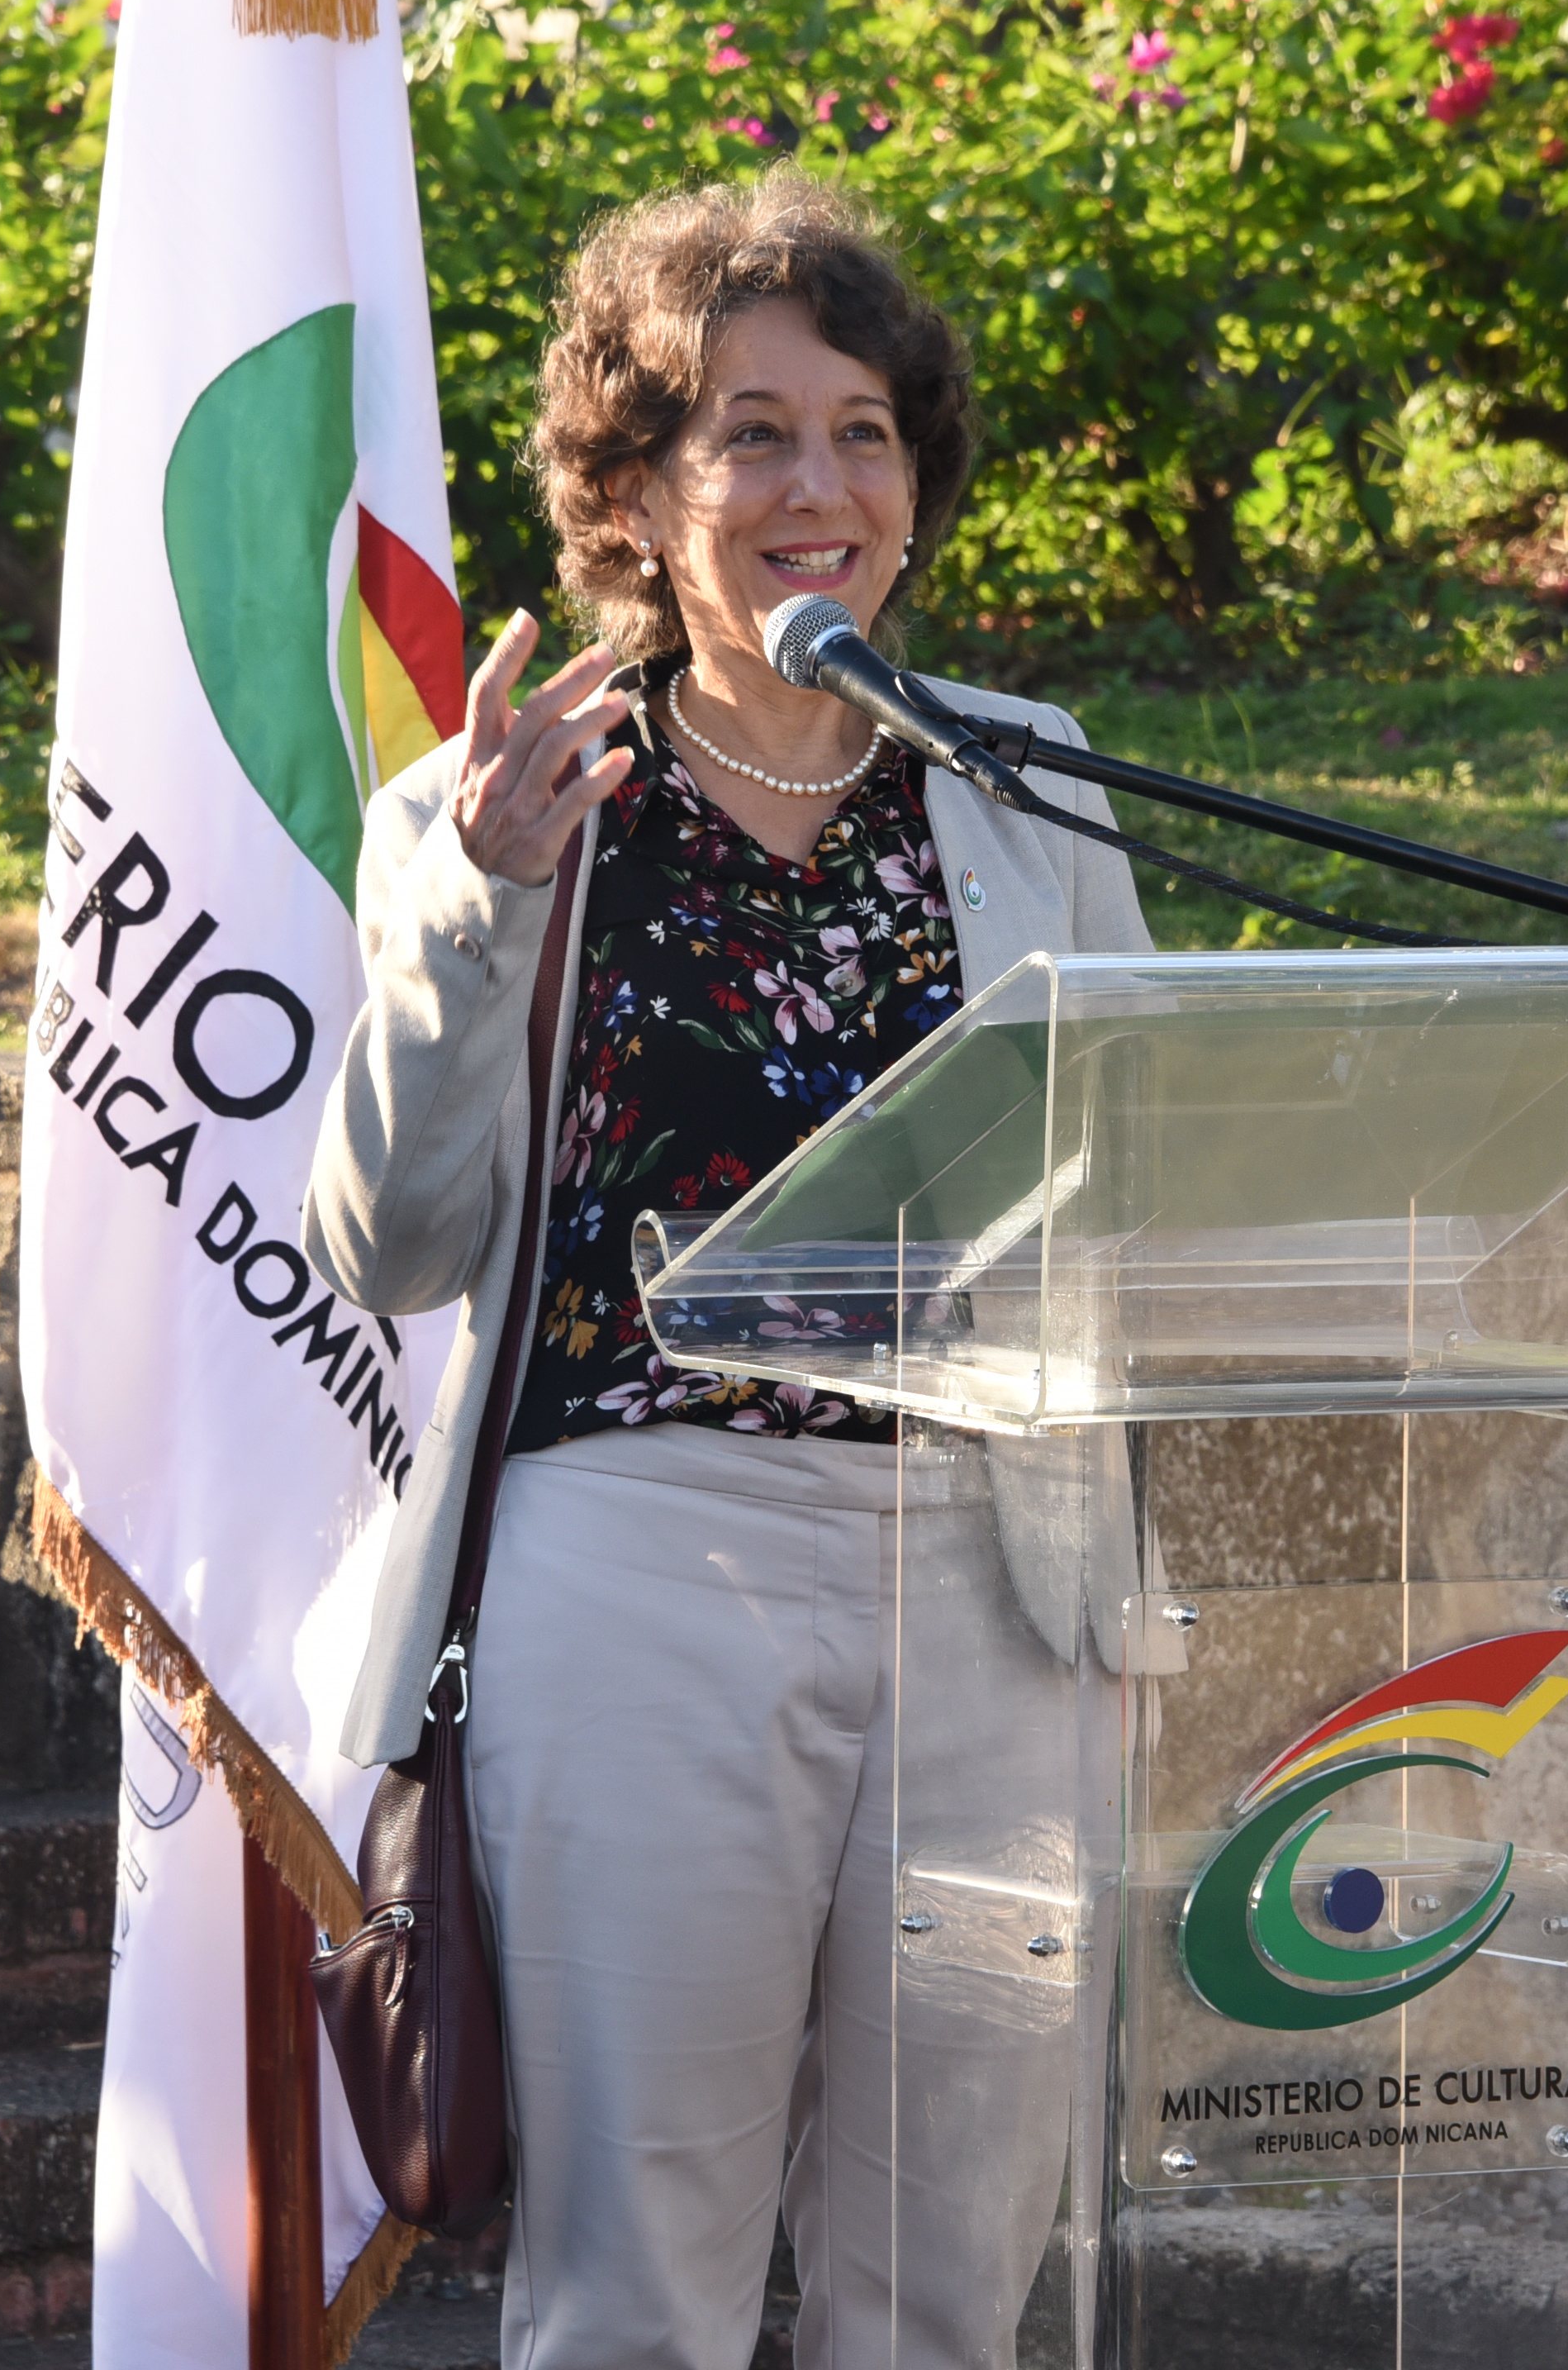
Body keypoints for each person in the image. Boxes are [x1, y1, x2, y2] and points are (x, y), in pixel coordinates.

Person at [303, 174, 1152, 2370]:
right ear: (638, 494)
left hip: (999, 1573)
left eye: (864, 432)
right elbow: (388, 1242)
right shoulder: (501, 805)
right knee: (639, 2284)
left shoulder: (1028, 788)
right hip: (644, 1567)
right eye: (752, 433)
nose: (819, 487)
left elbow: (1129, 1183)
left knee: (950, 2283)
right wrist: (482, 905)